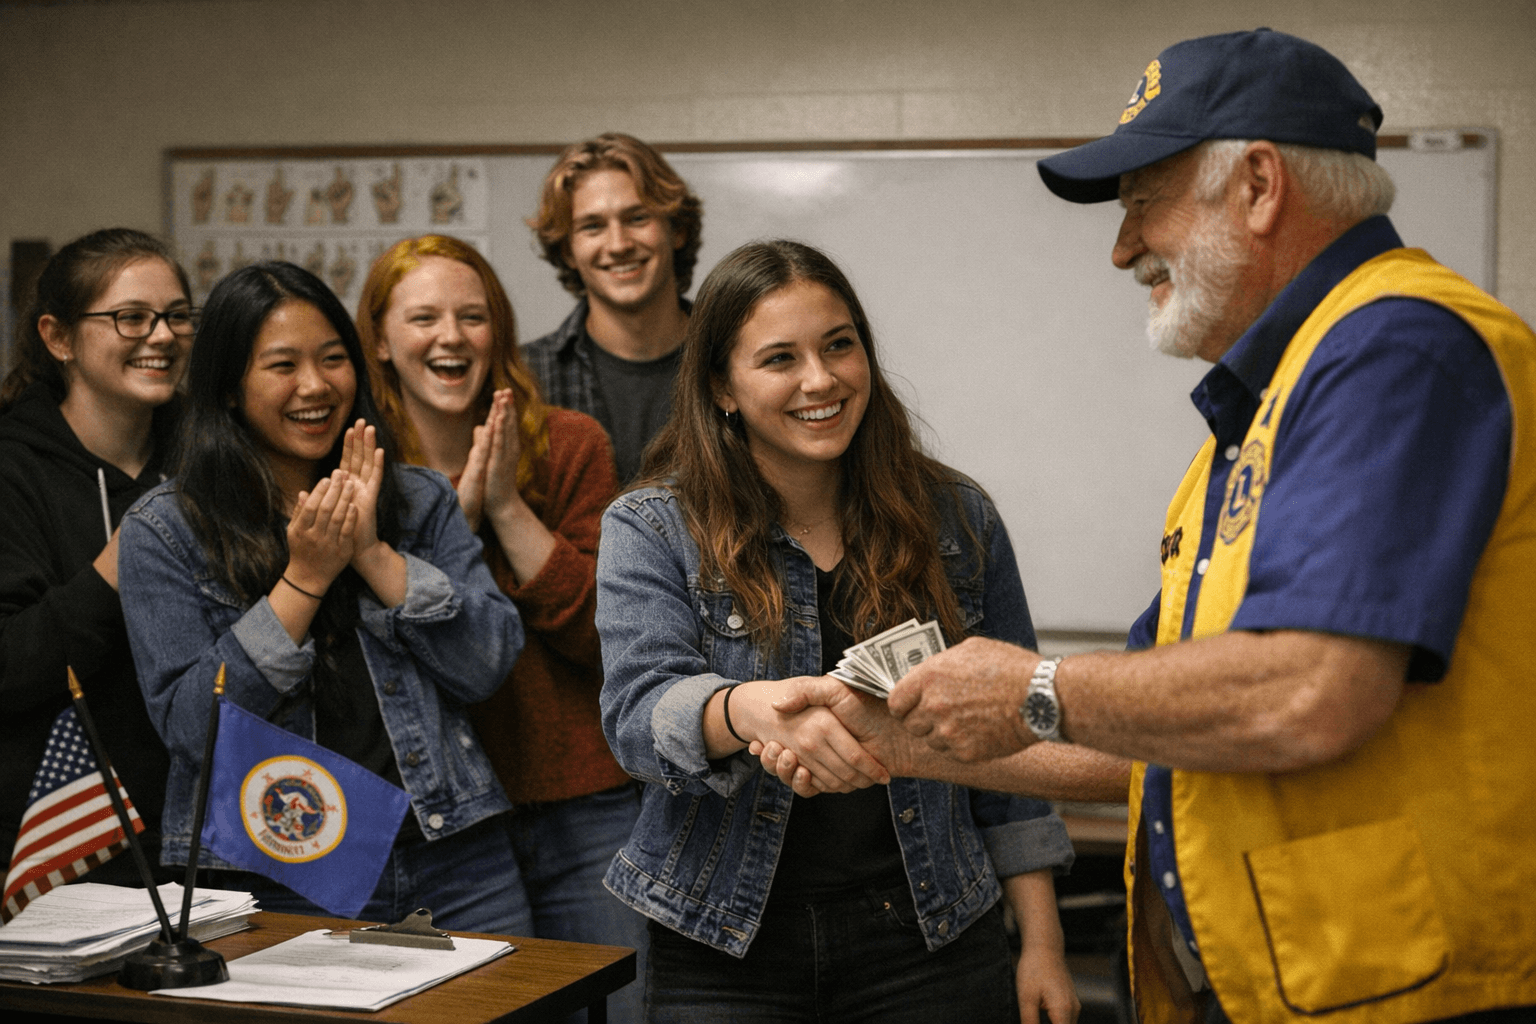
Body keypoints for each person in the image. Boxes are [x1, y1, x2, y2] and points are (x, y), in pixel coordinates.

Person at [839, 29, 1534, 1024]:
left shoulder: (1397, 348)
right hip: (1286, 986)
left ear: (1258, 185)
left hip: (1407, 993)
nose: (1122, 248)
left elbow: (1312, 690)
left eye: (1141, 203)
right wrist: (898, 742)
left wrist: (1032, 684)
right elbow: (1149, 735)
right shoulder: (1251, 423)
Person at [596, 239, 1080, 1024]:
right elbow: (637, 715)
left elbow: (1013, 741)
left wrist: (1044, 944)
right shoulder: (653, 526)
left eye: (839, 346)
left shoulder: (957, 519)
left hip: (930, 938)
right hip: (723, 947)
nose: (820, 380)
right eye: (779, 359)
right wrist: (746, 710)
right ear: (721, 386)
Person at [117, 261, 528, 931]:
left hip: (454, 851)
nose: (315, 385)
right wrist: (305, 578)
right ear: (229, 389)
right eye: (283, 365)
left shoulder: (419, 498)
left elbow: (486, 664)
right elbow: (192, 728)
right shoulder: (166, 528)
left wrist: (372, 554)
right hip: (284, 870)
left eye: (333, 359)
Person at [357, 234, 648, 1022]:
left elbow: (605, 637)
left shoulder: (568, 443)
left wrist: (508, 508)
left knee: (620, 1011)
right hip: (442, 831)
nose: (450, 337)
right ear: (379, 340)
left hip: (583, 806)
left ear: (500, 331)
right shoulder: (361, 468)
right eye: (423, 318)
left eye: (473, 316)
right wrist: (451, 524)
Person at [0, 228, 194, 885]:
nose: (161, 336)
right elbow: (10, 666)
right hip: (66, 842)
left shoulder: (210, 455)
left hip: (205, 832)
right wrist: (127, 554)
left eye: (176, 316)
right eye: (131, 317)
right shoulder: (15, 469)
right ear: (59, 338)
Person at [524, 132, 701, 483]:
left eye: (637, 218)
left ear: (677, 230)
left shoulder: (732, 358)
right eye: (593, 226)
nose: (618, 245)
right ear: (567, 251)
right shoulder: (525, 377)